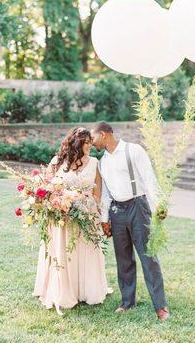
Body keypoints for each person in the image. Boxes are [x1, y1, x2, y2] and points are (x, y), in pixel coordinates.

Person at [91, 121, 170, 321]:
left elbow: (149, 179)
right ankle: (127, 302)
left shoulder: (133, 150)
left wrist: (158, 205)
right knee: (123, 259)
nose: (92, 143)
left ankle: (160, 306)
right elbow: (106, 194)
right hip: (117, 211)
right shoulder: (102, 162)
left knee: (148, 256)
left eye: (93, 138)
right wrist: (105, 220)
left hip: (138, 207)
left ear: (103, 134)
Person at [33, 127, 110, 314]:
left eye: (91, 142)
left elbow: (97, 193)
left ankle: (86, 290)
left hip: (86, 215)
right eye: (87, 142)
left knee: (85, 251)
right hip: (63, 218)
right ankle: (65, 290)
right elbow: (46, 187)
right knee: (64, 252)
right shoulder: (57, 161)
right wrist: (58, 202)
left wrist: (91, 209)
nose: (90, 145)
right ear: (77, 142)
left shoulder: (94, 163)